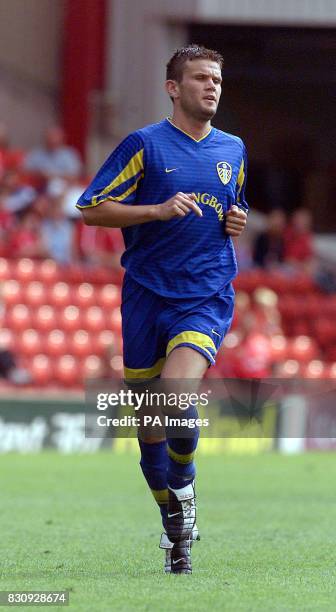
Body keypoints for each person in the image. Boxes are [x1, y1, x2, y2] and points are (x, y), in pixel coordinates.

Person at [77, 45, 248, 574]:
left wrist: (237, 221)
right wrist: (153, 209)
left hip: (205, 293)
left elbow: (234, 203)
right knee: (150, 425)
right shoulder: (144, 146)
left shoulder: (234, 148)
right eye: (200, 78)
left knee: (177, 393)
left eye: (217, 79)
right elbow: (90, 209)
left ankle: (187, 486)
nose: (212, 87)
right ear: (174, 88)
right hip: (147, 295)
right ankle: (174, 524)